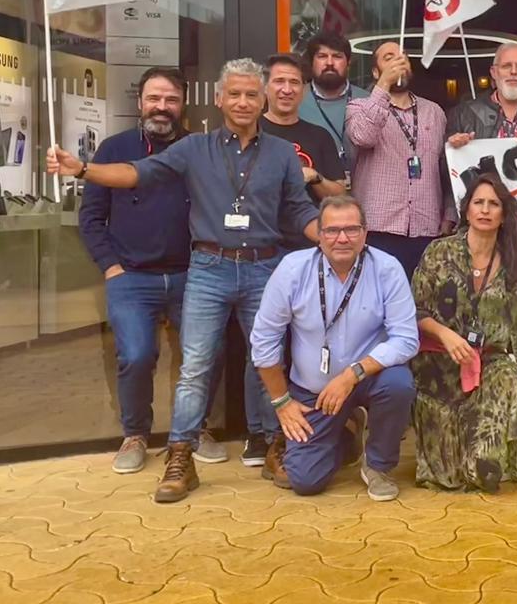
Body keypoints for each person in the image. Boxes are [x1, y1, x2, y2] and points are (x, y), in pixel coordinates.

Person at [47, 58, 320, 501]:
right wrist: (82, 170)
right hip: (208, 270)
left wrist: (332, 237)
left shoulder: (282, 155)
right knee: (194, 367)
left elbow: (300, 210)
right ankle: (180, 458)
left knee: (268, 361)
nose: (244, 102)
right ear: (219, 99)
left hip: (263, 270)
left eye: (252, 94)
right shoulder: (195, 149)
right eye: (235, 93)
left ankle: (276, 446)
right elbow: (136, 173)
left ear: (263, 98)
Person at [77, 66, 228, 473]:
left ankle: (194, 432)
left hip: (192, 273)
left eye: (171, 99)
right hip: (131, 276)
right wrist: (110, 267)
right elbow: (90, 217)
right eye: (154, 99)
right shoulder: (113, 149)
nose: (162, 107)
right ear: (140, 103)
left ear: (182, 104)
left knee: (203, 355)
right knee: (138, 355)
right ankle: (136, 434)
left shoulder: (200, 149)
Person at [249, 195, 418, 499]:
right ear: (319, 234)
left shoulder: (387, 269)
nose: (342, 238)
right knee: (305, 482)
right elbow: (264, 339)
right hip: (314, 391)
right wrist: (282, 403)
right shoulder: (292, 269)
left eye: (351, 230)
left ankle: (378, 465)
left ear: (365, 233)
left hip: (368, 379)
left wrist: (352, 374)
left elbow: (406, 339)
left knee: (399, 384)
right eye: (332, 230)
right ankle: (348, 431)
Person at [411, 172, 517, 491]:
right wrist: (445, 335)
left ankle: (485, 460)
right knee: (444, 473)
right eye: (479, 203)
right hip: (439, 363)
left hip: (489, 360)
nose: (485, 210)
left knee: (508, 377)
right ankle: (464, 456)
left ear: (504, 215)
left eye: (494, 204)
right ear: (467, 210)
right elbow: (414, 310)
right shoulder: (438, 252)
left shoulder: (514, 263)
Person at [348, 41, 452, 277]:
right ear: (375, 71)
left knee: (422, 304)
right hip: (378, 228)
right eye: (388, 58)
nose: (398, 62)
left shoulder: (434, 111)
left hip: (426, 227)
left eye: (403, 57)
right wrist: (384, 84)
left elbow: (445, 168)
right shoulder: (358, 106)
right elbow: (363, 136)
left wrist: (449, 214)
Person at [262, 54, 348, 246]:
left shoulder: (320, 136)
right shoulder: (251, 132)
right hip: (260, 251)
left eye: (294, 82)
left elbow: (340, 195)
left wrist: (314, 177)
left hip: (308, 245)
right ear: (265, 87)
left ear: (303, 90)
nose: (287, 89)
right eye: (279, 81)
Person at [296, 31, 356, 177]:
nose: (329, 63)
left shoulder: (368, 100)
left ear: (348, 63)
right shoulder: (295, 100)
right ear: (311, 62)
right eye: (322, 56)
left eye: (337, 56)